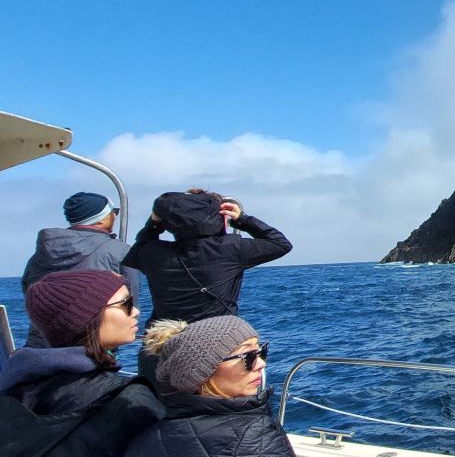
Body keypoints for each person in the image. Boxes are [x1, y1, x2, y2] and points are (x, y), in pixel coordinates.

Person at [122, 189, 292, 382]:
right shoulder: (231, 248)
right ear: (219, 218)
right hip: (216, 352)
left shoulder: (153, 252)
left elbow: (139, 246)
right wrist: (243, 219)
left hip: (162, 349)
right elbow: (281, 244)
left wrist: (154, 223)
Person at [0, 269, 164, 456]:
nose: (136, 311)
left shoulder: (12, 392)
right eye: (126, 303)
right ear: (88, 318)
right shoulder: (131, 400)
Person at [125, 316, 296, 456]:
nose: (260, 364)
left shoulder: (146, 438)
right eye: (248, 356)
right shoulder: (255, 437)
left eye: (261, 352)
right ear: (204, 372)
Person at [21, 191, 140, 348]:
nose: (115, 216)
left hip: (41, 346)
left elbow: (29, 291)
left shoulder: (43, 250)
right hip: (91, 347)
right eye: (114, 212)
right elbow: (130, 302)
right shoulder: (119, 251)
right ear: (101, 218)